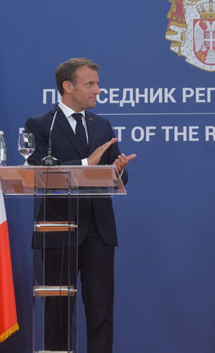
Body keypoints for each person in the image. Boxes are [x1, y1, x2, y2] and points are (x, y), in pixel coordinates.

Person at [25, 57, 136, 352]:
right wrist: (87, 163)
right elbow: (40, 173)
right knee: (57, 312)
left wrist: (118, 169)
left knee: (101, 312)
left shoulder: (102, 125)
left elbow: (116, 175)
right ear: (68, 86)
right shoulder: (40, 125)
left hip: (98, 231)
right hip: (58, 228)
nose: (98, 90)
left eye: (97, 83)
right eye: (90, 84)